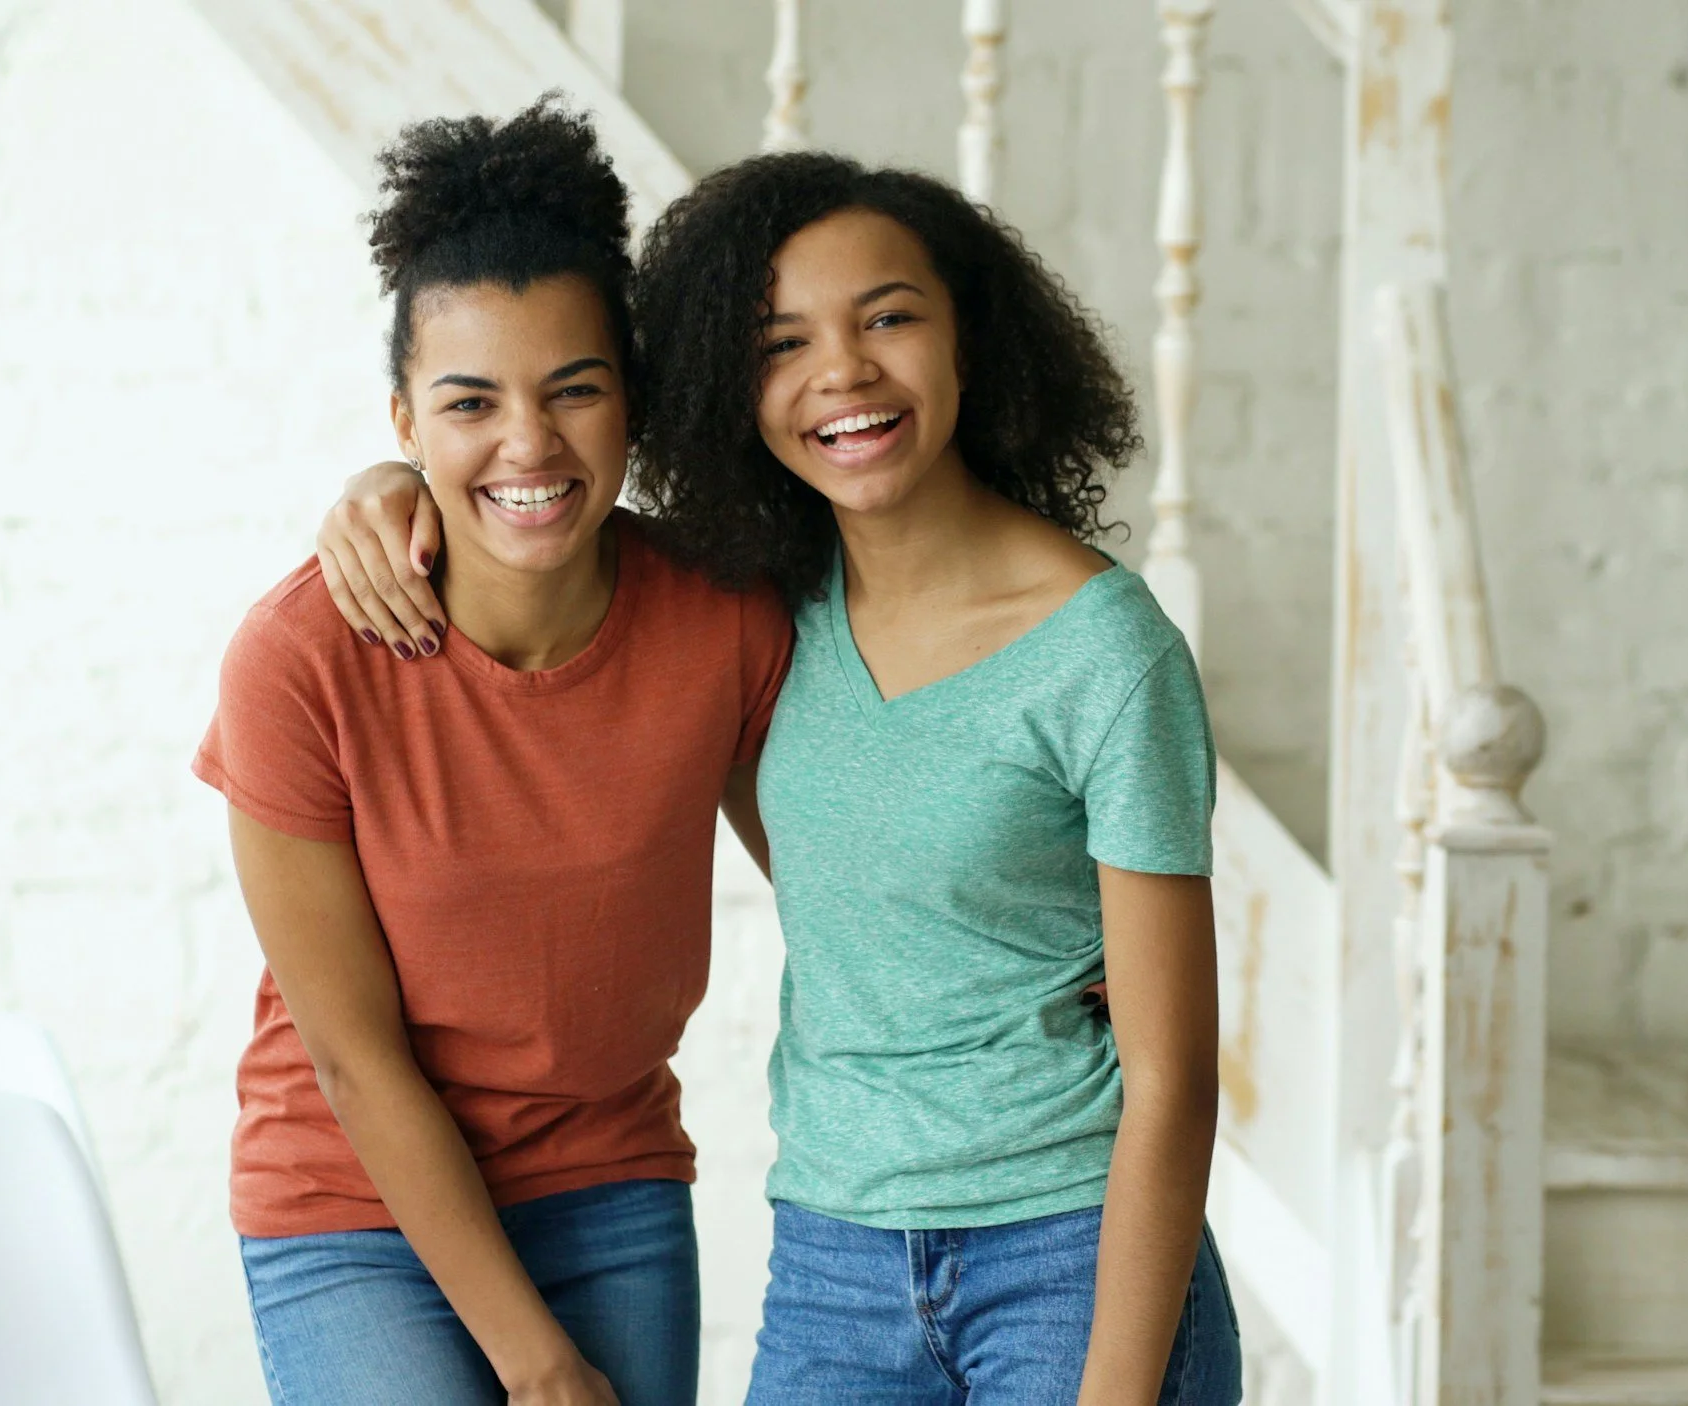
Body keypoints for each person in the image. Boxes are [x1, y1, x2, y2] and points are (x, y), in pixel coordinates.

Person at [321, 151, 1240, 1406]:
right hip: (834, 1258)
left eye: (889, 317)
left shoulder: (1105, 652)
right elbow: (523, 525)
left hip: (1071, 1244)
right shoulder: (753, 612)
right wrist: (385, 491)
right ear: (727, 388)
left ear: (970, 340)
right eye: (782, 341)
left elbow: (1177, 1078)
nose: (843, 369)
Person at [193, 101, 789, 1406]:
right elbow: (353, 1057)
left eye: (574, 389)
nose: (529, 444)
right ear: (404, 412)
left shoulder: (722, 621)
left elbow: (841, 867)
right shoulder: (301, 661)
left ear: (631, 397)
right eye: (471, 401)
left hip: (608, 1181)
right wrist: (537, 1363)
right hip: (352, 1201)